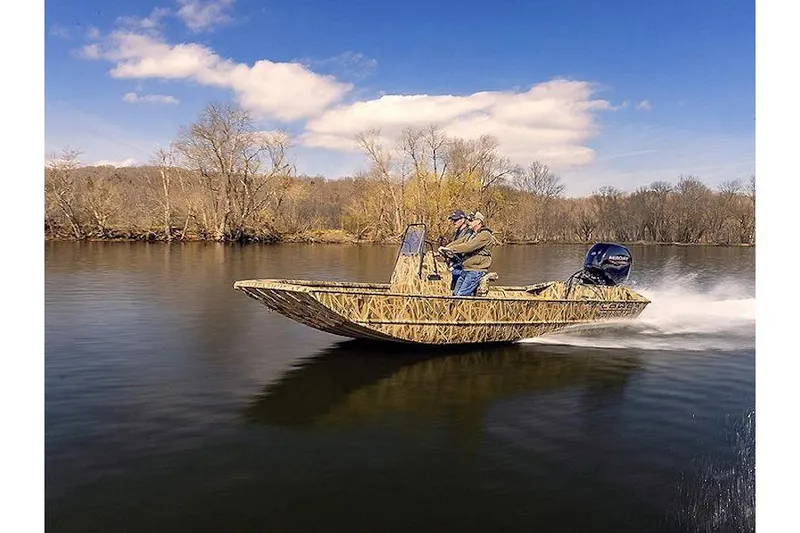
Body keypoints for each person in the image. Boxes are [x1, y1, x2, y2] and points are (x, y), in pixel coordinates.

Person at [439, 211, 494, 296]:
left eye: (471, 220)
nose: (468, 222)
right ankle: (453, 308)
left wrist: (451, 250)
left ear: (478, 222)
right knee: (455, 294)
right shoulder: (471, 234)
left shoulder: (485, 235)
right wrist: (445, 249)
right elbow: (459, 242)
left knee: (461, 295)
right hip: (466, 269)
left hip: (476, 270)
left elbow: (469, 246)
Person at [443, 209, 473, 290]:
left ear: (463, 220)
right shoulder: (457, 232)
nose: (454, 222)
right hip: (455, 263)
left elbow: (464, 248)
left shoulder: (468, 232)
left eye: (456, 220)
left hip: (462, 265)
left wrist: (455, 265)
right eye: (453, 220)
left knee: (458, 288)